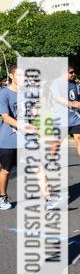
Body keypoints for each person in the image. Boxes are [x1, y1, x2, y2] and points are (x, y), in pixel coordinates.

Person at [0, 64, 37, 210]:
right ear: (11, 76)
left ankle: (49, 198)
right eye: (19, 75)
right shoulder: (3, 93)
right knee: (6, 171)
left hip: (26, 138)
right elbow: (6, 118)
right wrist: (23, 126)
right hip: (8, 140)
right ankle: (2, 197)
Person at [50, 67, 80, 172]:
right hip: (61, 118)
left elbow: (77, 98)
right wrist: (72, 104)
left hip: (75, 117)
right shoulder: (56, 83)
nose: (73, 74)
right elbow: (57, 97)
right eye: (71, 72)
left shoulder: (74, 83)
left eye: (74, 72)